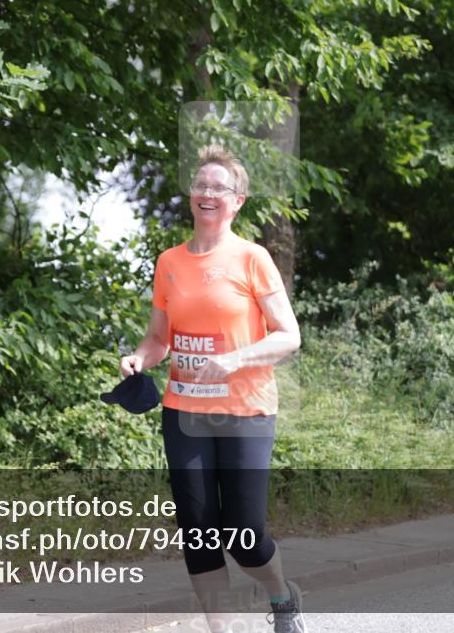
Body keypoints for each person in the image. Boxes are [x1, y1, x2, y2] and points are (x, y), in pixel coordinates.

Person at [119, 144, 305, 633]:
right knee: (199, 533)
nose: (207, 193)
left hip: (246, 411)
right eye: (200, 185)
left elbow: (289, 335)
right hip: (184, 412)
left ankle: (281, 597)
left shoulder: (252, 258)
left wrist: (234, 359)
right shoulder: (170, 262)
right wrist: (140, 357)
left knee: (244, 535)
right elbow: (159, 338)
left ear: (238, 200)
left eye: (218, 187)